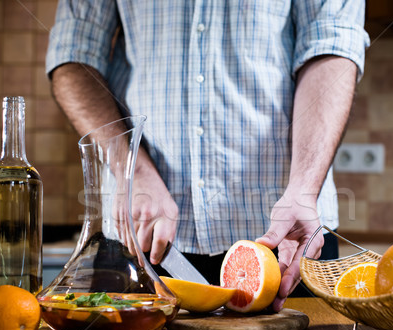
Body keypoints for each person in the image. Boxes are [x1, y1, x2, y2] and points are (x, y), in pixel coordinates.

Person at [46, 1, 370, 311]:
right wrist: (133, 170)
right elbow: (73, 57)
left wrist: (305, 187)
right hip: (139, 235)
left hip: (289, 245)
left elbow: (332, 45)